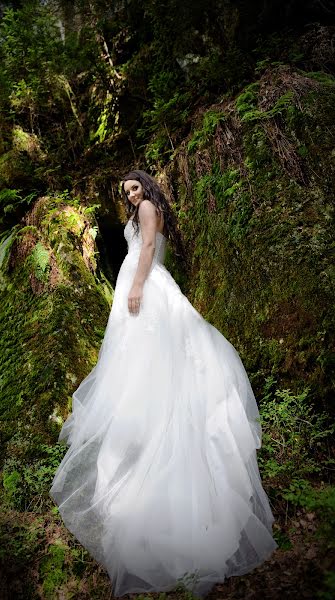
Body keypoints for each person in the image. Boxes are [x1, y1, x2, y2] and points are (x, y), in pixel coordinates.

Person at [49, 169, 278, 598]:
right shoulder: (137, 213)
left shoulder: (149, 209)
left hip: (148, 287)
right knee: (135, 366)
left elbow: (149, 249)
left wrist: (136, 286)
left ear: (146, 187)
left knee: (156, 360)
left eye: (134, 187)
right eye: (126, 191)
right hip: (136, 286)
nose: (130, 195)